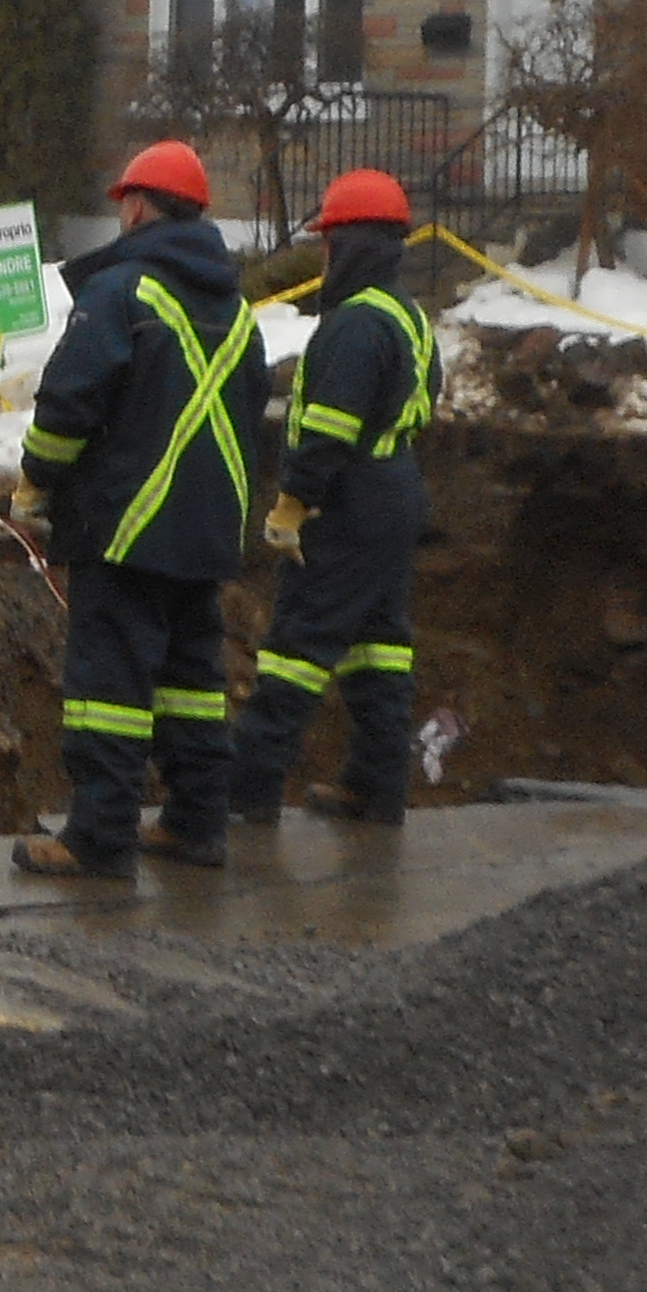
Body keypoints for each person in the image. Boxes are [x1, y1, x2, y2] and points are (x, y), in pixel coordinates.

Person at [10, 140, 271, 880]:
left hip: (126, 526)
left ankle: (98, 837)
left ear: (135, 206)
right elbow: (252, 412)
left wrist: (36, 481)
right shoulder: (238, 309)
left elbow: (68, 402)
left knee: (109, 691)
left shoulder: (121, 291)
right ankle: (195, 824)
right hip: (206, 533)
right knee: (193, 684)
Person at [228, 166, 438, 828]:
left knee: (297, 644)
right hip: (394, 490)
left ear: (348, 246)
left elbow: (327, 430)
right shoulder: (406, 316)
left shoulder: (352, 326)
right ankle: (377, 788)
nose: (321, 255)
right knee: (380, 647)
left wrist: (293, 502)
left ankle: (249, 793)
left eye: (326, 244)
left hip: (348, 501)